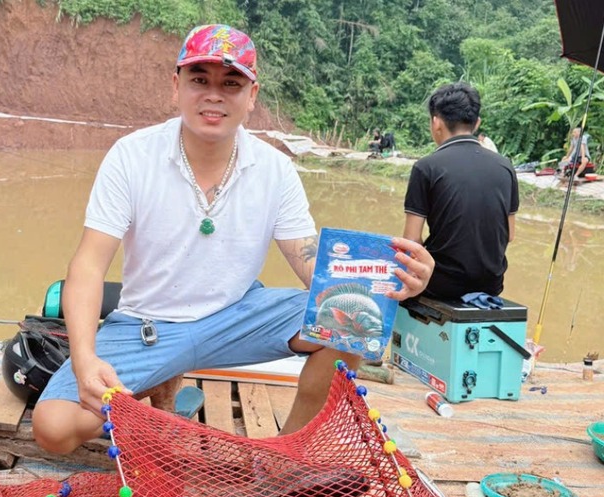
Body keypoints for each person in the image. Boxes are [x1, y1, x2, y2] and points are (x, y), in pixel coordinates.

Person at [32, 24, 434, 456]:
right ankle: (155, 390)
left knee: (345, 321)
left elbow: (310, 261)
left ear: (252, 95)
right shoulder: (132, 157)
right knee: (54, 429)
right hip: (147, 325)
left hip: (238, 316)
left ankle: (284, 452)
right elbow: (89, 266)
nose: (214, 95)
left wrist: (391, 281)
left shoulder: (275, 169)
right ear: (176, 86)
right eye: (199, 80)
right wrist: (85, 359)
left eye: (231, 83)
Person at [402, 81, 519, 300]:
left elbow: (412, 241)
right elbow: (509, 235)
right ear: (477, 123)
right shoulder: (505, 166)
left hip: (440, 284)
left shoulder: (426, 167)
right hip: (491, 285)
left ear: (436, 122)